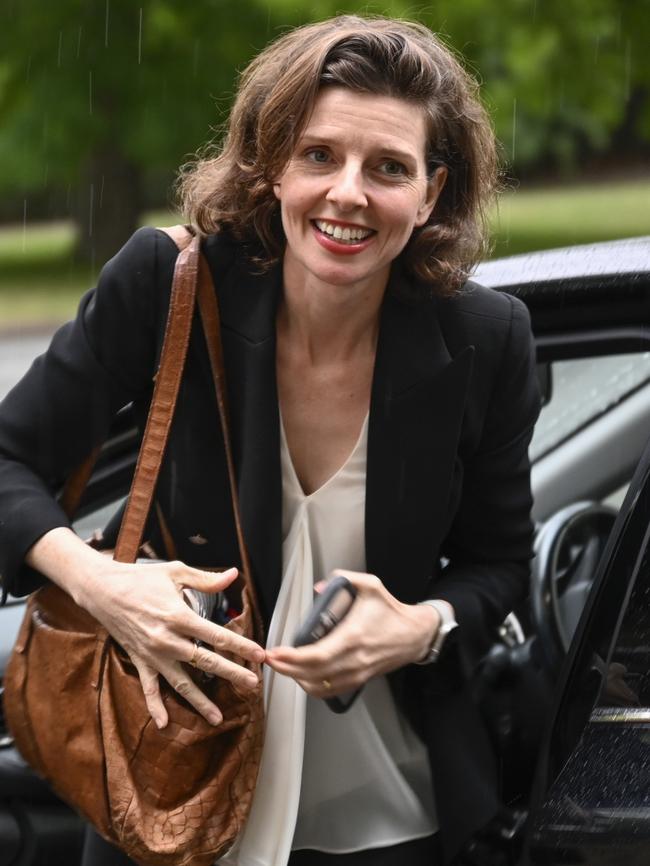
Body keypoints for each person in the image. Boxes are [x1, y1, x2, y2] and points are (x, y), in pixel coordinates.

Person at [0, 14, 540, 866]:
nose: (349, 193)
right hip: (172, 795)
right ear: (273, 162)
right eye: (320, 154)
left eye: (388, 167)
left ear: (431, 194)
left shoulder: (486, 338)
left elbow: (501, 563)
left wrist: (421, 626)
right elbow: (8, 460)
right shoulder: (168, 284)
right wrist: (105, 585)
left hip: (393, 816)